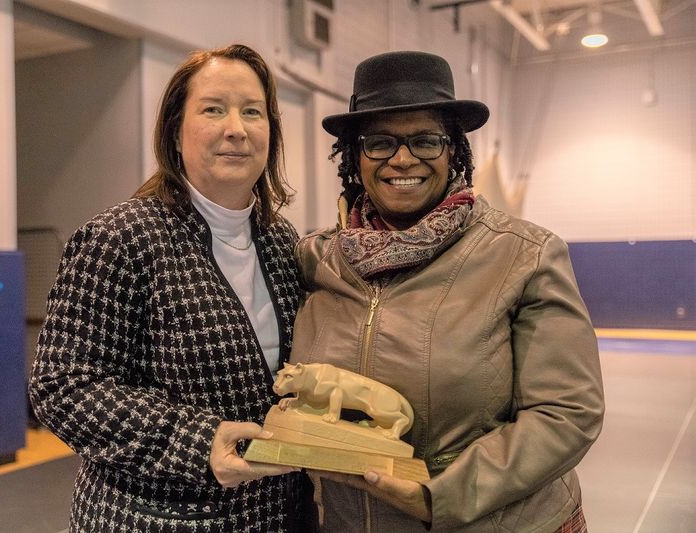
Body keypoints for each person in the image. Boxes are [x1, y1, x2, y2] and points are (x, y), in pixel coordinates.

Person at [290, 51, 605, 532]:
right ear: (355, 157)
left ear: (454, 150)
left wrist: (438, 497)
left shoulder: (525, 254)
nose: (401, 159)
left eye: (425, 141)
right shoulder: (317, 260)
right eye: (379, 143)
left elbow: (567, 412)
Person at [30, 44, 312, 532]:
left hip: (272, 516)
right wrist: (195, 442)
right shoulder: (120, 238)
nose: (236, 129)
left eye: (252, 112)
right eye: (213, 109)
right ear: (175, 132)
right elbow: (62, 388)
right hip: (153, 518)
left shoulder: (281, 240)